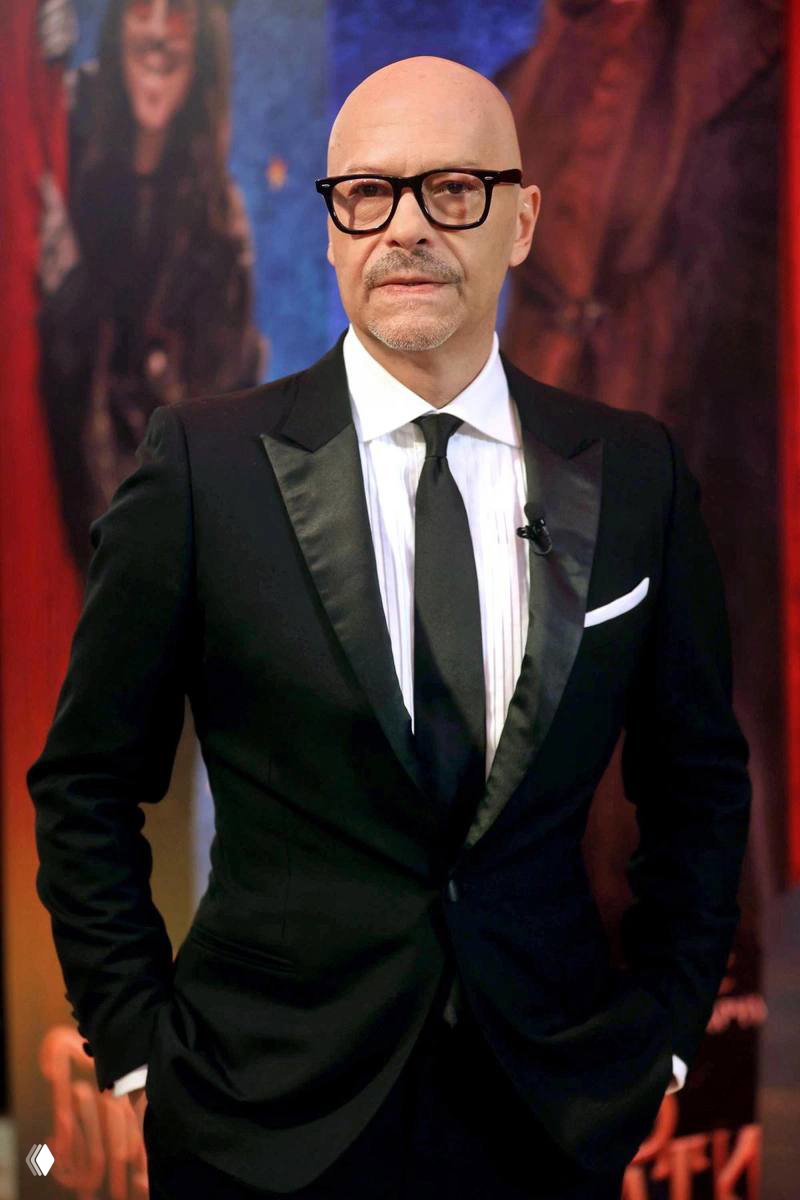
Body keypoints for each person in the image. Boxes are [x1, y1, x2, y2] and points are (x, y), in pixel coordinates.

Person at [28, 55, 752, 1200]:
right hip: (256, 1124)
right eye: (367, 193)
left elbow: (698, 784)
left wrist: (659, 1037)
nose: (404, 227)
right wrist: (136, 1053)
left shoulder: (632, 474)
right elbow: (86, 785)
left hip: (547, 1119)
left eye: (452, 189)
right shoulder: (201, 468)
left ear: (521, 222)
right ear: (330, 230)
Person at [37, 0, 265, 575]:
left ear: (205, 44)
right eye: (142, 8)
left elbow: (198, 431)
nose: (158, 35)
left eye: (179, 14)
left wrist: (71, 296)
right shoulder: (68, 127)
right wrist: (25, 61)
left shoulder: (217, 232)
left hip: (131, 551)